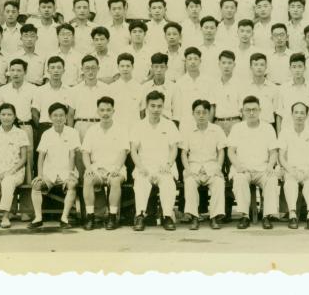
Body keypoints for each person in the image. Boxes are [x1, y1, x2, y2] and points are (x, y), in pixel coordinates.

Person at [130, 90, 182, 231]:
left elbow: (174, 149)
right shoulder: (138, 125)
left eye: (159, 106)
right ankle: (140, 215)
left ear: (163, 106)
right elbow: (133, 150)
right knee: (141, 182)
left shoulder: (169, 125)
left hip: (164, 166)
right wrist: (141, 167)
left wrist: (168, 164)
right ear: (147, 106)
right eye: (152, 106)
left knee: (168, 183)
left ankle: (167, 216)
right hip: (144, 166)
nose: (156, 109)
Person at [227, 96, 280, 230]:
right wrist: (238, 165)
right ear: (242, 111)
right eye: (248, 110)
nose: (251, 113)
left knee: (272, 179)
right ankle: (244, 216)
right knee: (239, 179)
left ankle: (267, 216)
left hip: (263, 169)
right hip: (243, 168)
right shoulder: (237, 128)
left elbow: (274, 152)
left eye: (254, 109)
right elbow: (231, 151)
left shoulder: (268, 128)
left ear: (260, 110)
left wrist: (270, 165)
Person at [28, 102, 81, 229]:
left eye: (61, 115)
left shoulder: (73, 132)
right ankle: (38, 218)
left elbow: (72, 155)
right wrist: (40, 175)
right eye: (55, 115)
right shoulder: (46, 134)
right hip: (49, 173)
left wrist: (70, 174)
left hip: (67, 172)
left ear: (66, 116)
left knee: (72, 185)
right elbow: (41, 156)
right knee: (36, 185)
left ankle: (64, 218)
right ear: (50, 117)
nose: (58, 118)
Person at [81, 96, 130, 231]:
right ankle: (90, 216)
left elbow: (123, 152)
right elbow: (85, 152)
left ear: (113, 111)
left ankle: (112, 217)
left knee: (115, 180)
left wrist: (117, 168)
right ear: (97, 111)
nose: (105, 113)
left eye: (108, 110)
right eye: (102, 110)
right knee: (88, 179)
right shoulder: (92, 130)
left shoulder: (121, 129)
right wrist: (88, 168)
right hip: (97, 168)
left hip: (115, 167)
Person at [180, 99, 227, 230]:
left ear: (209, 113)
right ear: (193, 114)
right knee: (189, 182)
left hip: (212, 166)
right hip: (193, 167)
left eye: (204, 112)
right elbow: (183, 153)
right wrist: (187, 170)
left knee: (219, 182)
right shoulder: (187, 130)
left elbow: (221, 151)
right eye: (198, 112)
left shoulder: (216, 130)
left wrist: (218, 168)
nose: (201, 115)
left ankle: (214, 217)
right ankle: (194, 217)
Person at [277, 102, 309, 230]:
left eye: (302, 113)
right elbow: (281, 156)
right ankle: (292, 215)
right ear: (291, 114)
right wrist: (290, 170)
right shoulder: (285, 132)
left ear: (307, 115)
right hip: (291, 169)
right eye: (296, 112)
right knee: (290, 183)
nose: (299, 115)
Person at [0, 103, 28, 229]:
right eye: (3, 114)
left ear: (14, 117)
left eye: (9, 114)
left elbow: (24, 158)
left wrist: (11, 171)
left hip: (15, 170)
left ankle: (5, 217)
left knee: (7, 182)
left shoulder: (21, 133)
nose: (6, 117)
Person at [0, 58, 38, 184]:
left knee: (28, 157)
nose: (15, 73)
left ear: (25, 72)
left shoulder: (33, 89)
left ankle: (27, 188)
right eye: (12, 70)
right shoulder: (2, 90)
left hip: (26, 126)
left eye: (19, 70)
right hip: (7, 128)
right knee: (9, 157)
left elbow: (35, 112)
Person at [173, 46, 215, 130]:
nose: (192, 62)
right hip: (185, 124)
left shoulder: (208, 81)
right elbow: (177, 109)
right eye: (190, 59)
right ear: (185, 61)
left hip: (204, 124)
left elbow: (212, 106)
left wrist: (208, 125)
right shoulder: (179, 83)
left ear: (200, 61)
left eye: (195, 59)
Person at [277, 53, 309, 130]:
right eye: (294, 67)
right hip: (287, 131)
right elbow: (279, 115)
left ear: (305, 68)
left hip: (308, 131)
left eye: (300, 66)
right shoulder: (283, 88)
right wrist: (280, 135)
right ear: (290, 68)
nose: (297, 70)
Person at [238, 53, 279, 132]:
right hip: (249, 127)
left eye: (262, 64)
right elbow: (243, 112)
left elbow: (275, 112)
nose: (259, 67)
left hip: (268, 127)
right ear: (251, 67)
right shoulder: (244, 88)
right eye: (256, 64)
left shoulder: (273, 88)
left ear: (266, 67)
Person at [107, 53, 143, 130]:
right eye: (122, 66)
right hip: (116, 128)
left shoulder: (140, 88)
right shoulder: (111, 88)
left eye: (128, 66)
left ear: (133, 67)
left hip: (134, 128)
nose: (125, 69)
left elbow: (142, 112)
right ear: (118, 67)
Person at [213, 50, 242, 137]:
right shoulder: (214, 84)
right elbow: (212, 108)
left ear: (234, 65)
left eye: (229, 63)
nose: (226, 66)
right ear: (219, 64)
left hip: (235, 123)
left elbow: (243, 109)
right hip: (218, 123)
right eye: (224, 63)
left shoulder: (240, 84)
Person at [140, 52, 175, 121]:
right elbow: (142, 111)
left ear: (166, 68)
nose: (159, 70)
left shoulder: (174, 87)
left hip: (168, 124)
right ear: (152, 67)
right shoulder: (145, 87)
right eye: (156, 66)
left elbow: (177, 114)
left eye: (162, 67)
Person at [198, 16, 221, 80]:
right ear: (201, 29)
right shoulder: (195, 47)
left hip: (217, 81)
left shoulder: (222, 48)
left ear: (216, 29)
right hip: (200, 82)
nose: (209, 30)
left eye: (212, 28)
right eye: (206, 28)